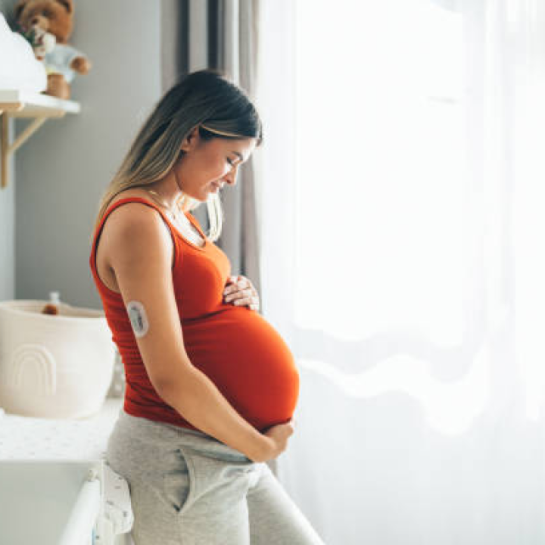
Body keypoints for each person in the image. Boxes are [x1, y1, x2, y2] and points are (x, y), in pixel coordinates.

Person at [89, 69, 325, 545]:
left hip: (221, 448)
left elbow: (192, 314)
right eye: (230, 159)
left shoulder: (179, 217)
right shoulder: (138, 220)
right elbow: (170, 376)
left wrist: (239, 302)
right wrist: (259, 445)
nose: (233, 179)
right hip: (180, 459)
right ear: (191, 135)